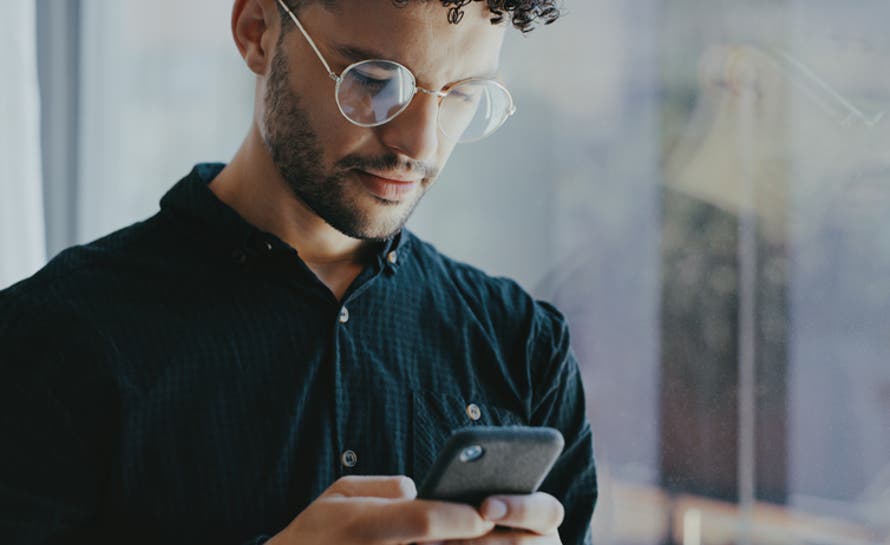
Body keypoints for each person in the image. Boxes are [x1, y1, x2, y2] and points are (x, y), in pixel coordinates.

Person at [0, 0, 597, 543]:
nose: (421, 142)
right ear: (256, 32)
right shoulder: (51, 337)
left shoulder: (526, 346)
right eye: (375, 80)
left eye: (462, 94)